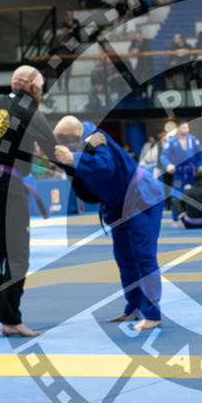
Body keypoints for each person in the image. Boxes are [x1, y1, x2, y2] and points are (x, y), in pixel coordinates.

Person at [0, 65, 64, 338]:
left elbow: (2, 141)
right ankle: (11, 319)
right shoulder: (33, 114)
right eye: (41, 88)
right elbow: (56, 155)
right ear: (33, 88)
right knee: (17, 257)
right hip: (5, 188)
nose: (41, 92)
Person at [53, 116, 164, 330]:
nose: (61, 147)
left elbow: (105, 167)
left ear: (75, 137)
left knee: (143, 256)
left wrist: (74, 156)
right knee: (124, 257)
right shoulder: (81, 140)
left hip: (141, 197)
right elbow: (55, 157)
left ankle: (152, 314)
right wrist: (79, 149)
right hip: (117, 204)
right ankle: (133, 308)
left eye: (64, 143)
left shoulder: (99, 139)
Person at [160, 122, 202, 224]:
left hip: (192, 172)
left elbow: (200, 153)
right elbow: (164, 155)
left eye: (187, 127)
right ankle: (176, 218)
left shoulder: (192, 139)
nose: (186, 129)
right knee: (176, 195)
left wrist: (201, 164)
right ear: (179, 129)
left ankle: (197, 215)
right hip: (179, 172)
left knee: (197, 193)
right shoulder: (172, 141)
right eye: (184, 127)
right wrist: (168, 165)